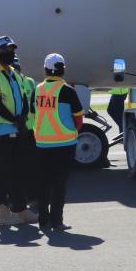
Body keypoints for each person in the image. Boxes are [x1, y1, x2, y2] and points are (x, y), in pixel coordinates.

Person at [0, 35, 37, 229]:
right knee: (3, 171)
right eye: (6, 50)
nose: (11, 53)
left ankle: (20, 209)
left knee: (19, 170)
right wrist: (15, 119)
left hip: (17, 127)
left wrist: (22, 118)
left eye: (12, 49)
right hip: (1, 130)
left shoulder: (14, 73)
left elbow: (23, 97)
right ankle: (2, 212)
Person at [32, 54, 84, 233]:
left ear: (45, 69)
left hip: (41, 144)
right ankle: (57, 222)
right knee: (59, 184)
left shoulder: (37, 89)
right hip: (64, 143)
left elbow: (32, 115)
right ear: (63, 69)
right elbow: (78, 118)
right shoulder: (68, 90)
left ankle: (42, 220)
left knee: (43, 184)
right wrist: (73, 131)